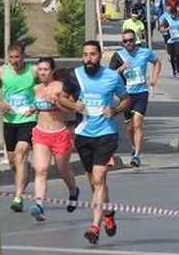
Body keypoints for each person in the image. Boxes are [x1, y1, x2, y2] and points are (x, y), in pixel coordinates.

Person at [59, 41, 131, 245]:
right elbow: (61, 99)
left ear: (100, 56)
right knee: (94, 183)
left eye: (92, 54)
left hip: (106, 134)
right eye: (85, 55)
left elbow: (126, 99)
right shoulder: (75, 76)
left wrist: (115, 110)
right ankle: (108, 213)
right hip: (83, 135)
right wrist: (74, 105)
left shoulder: (112, 76)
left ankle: (94, 227)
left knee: (99, 178)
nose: (89, 58)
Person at [29, 57, 79, 221]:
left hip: (59, 134)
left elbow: (72, 108)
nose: (42, 73)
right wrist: (32, 109)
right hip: (40, 133)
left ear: (52, 71)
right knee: (41, 170)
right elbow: (37, 106)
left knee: (62, 170)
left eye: (45, 70)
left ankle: (73, 191)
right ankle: (39, 205)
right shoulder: (36, 88)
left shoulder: (60, 87)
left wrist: (57, 102)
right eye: (40, 70)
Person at [108, 30, 162, 167]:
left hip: (141, 93)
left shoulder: (145, 52)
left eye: (131, 40)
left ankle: (137, 155)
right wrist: (121, 68)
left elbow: (157, 62)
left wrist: (154, 78)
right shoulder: (118, 55)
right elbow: (109, 75)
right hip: (126, 96)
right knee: (129, 127)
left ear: (135, 40)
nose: (128, 43)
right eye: (125, 41)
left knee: (137, 123)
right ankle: (133, 148)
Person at [0, 44, 38, 213]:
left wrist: (36, 105)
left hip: (28, 119)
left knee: (21, 153)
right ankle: (24, 173)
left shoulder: (33, 71)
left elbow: (45, 88)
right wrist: (0, 103)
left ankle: (18, 197)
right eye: (11, 57)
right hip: (9, 120)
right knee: (14, 161)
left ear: (23, 57)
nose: (14, 61)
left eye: (17, 57)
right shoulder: (1, 71)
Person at [160, 6, 179, 76]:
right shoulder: (166, 19)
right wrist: (166, 29)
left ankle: (178, 67)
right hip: (170, 40)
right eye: (171, 14)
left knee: (178, 54)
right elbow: (161, 28)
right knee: (172, 56)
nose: (173, 15)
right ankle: (174, 69)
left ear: (176, 13)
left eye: (174, 14)